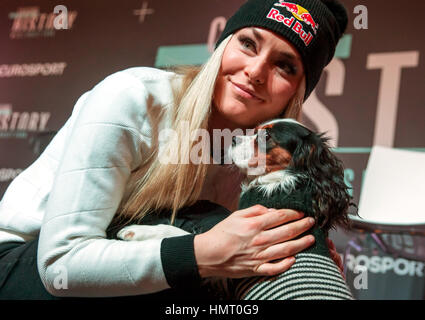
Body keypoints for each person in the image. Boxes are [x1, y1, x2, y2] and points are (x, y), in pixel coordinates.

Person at [0, 0, 347, 299]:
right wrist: (202, 254)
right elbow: (60, 263)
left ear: (298, 91)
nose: (255, 71)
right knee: (209, 227)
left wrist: (303, 260)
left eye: (284, 66)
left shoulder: (270, 158)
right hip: (23, 263)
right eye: (247, 44)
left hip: (125, 271)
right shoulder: (133, 96)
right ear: (223, 44)